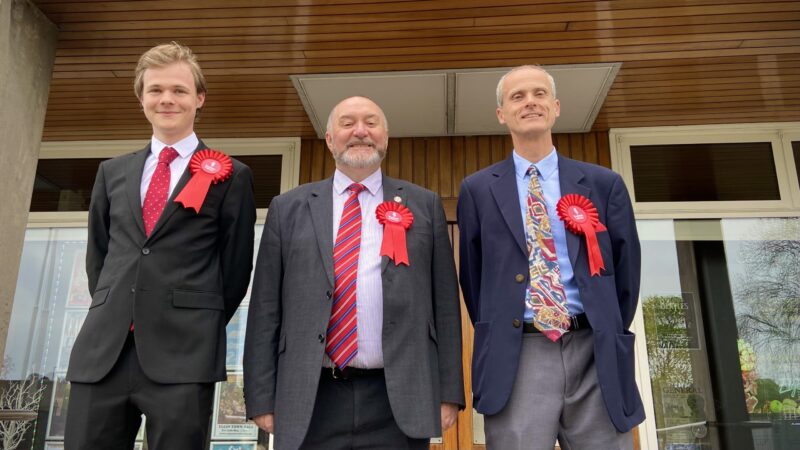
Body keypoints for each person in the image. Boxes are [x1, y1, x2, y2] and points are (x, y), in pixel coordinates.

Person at [244, 96, 464, 450]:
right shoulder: (288, 209)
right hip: (311, 398)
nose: (360, 131)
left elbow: (446, 307)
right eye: (347, 123)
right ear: (330, 139)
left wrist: (449, 392)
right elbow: (265, 309)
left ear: (386, 138)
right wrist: (260, 396)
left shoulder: (423, 205)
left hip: (398, 398)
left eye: (371, 122)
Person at [65, 42, 256, 450]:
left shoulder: (232, 176)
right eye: (155, 90)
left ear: (199, 98)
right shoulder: (110, 173)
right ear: (141, 98)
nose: (166, 99)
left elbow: (236, 270)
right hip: (103, 354)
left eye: (179, 90)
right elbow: (99, 259)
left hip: (184, 356)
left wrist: (192, 319)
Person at [457, 65, 644, 450]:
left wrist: (603, 323)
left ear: (555, 107)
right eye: (518, 96)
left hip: (596, 353)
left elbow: (626, 273)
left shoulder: (603, 184)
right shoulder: (476, 190)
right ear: (501, 114)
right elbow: (474, 280)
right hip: (519, 352)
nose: (530, 102)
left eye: (539, 94)